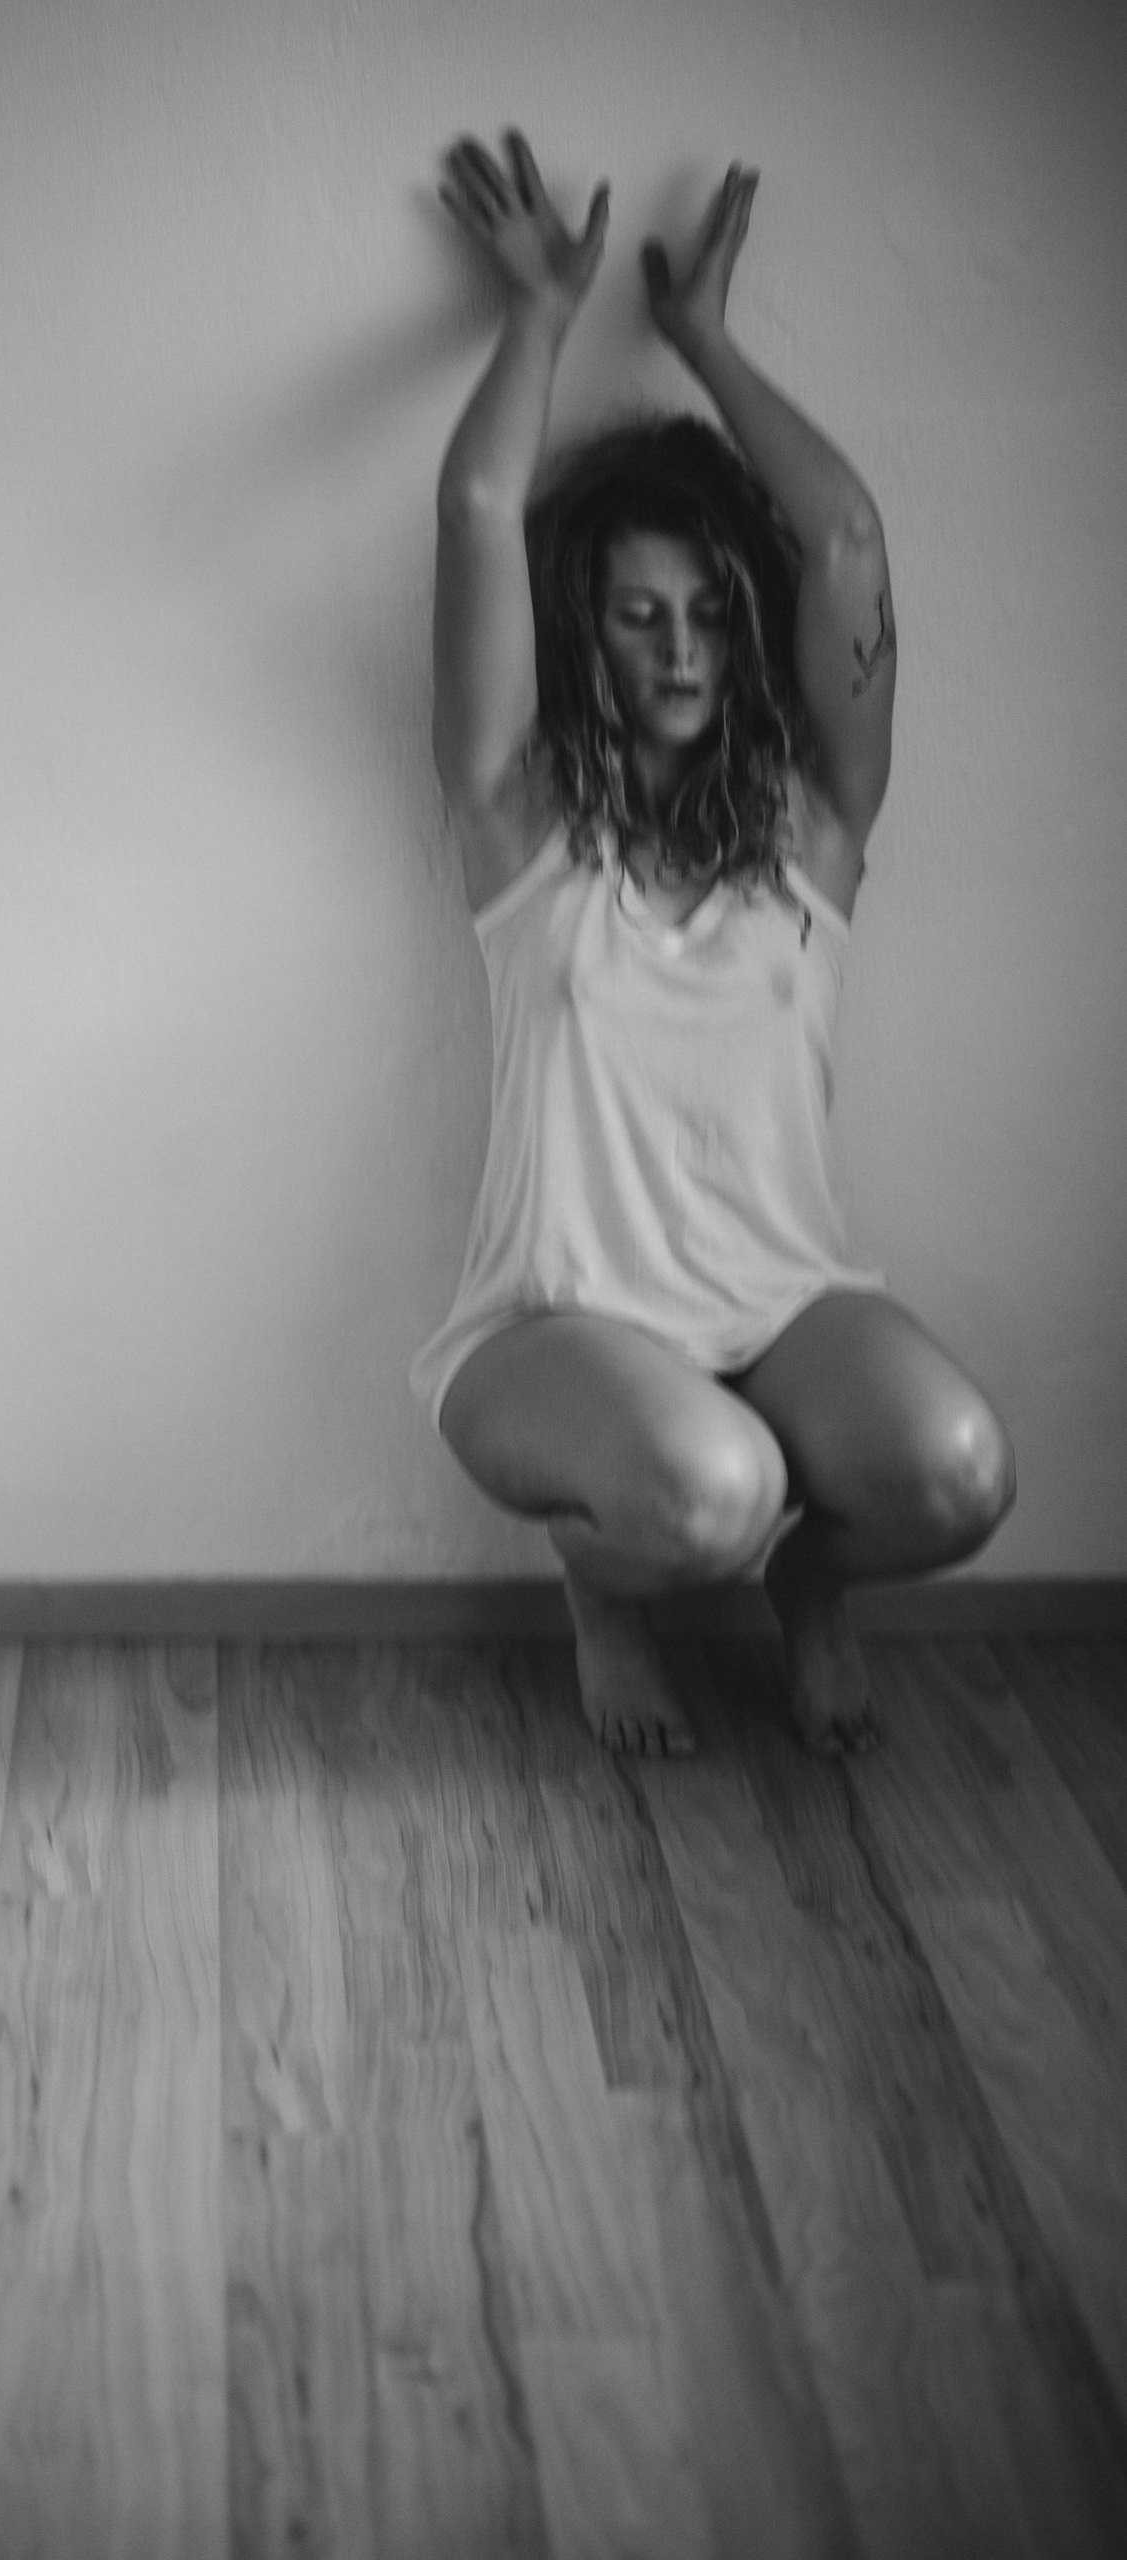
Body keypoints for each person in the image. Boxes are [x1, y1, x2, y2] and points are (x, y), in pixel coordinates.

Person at [412, 131, 1016, 1757]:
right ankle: (607, 1592)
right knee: (709, 1493)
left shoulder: (815, 835)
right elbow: (477, 508)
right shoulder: (523, 830)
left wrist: (705, 342)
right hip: (557, 1321)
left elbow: (850, 546)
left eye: (706, 615)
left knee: (962, 1476)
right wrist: (541, 316)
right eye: (637, 616)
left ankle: (811, 1587)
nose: (680, 650)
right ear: (584, 637)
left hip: (783, 1303)